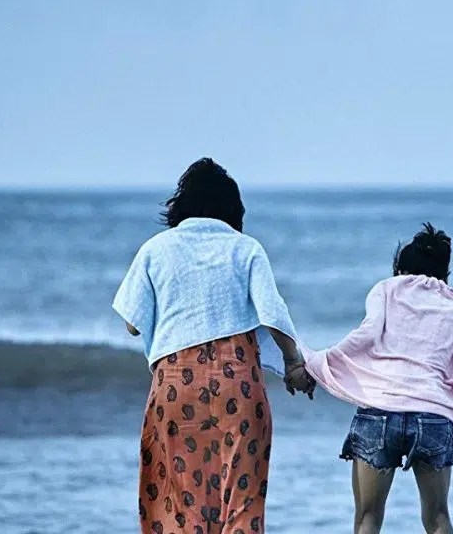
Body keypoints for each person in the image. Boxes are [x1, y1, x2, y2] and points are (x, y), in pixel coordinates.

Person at [112, 158, 315, 534]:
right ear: (233, 209)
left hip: (176, 386)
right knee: (242, 501)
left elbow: (132, 324)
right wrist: (293, 363)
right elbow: (273, 314)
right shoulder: (246, 249)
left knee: (178, 502)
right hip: (237, 385)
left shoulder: (155, 249)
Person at [300, 224, 453, 534]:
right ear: (445, 272)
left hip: (380, 413)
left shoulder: (387, 289)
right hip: (434, 417)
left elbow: (366, 336)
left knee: (368, 519)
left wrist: (318, 362)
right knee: (438, 519)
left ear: (400, 269)